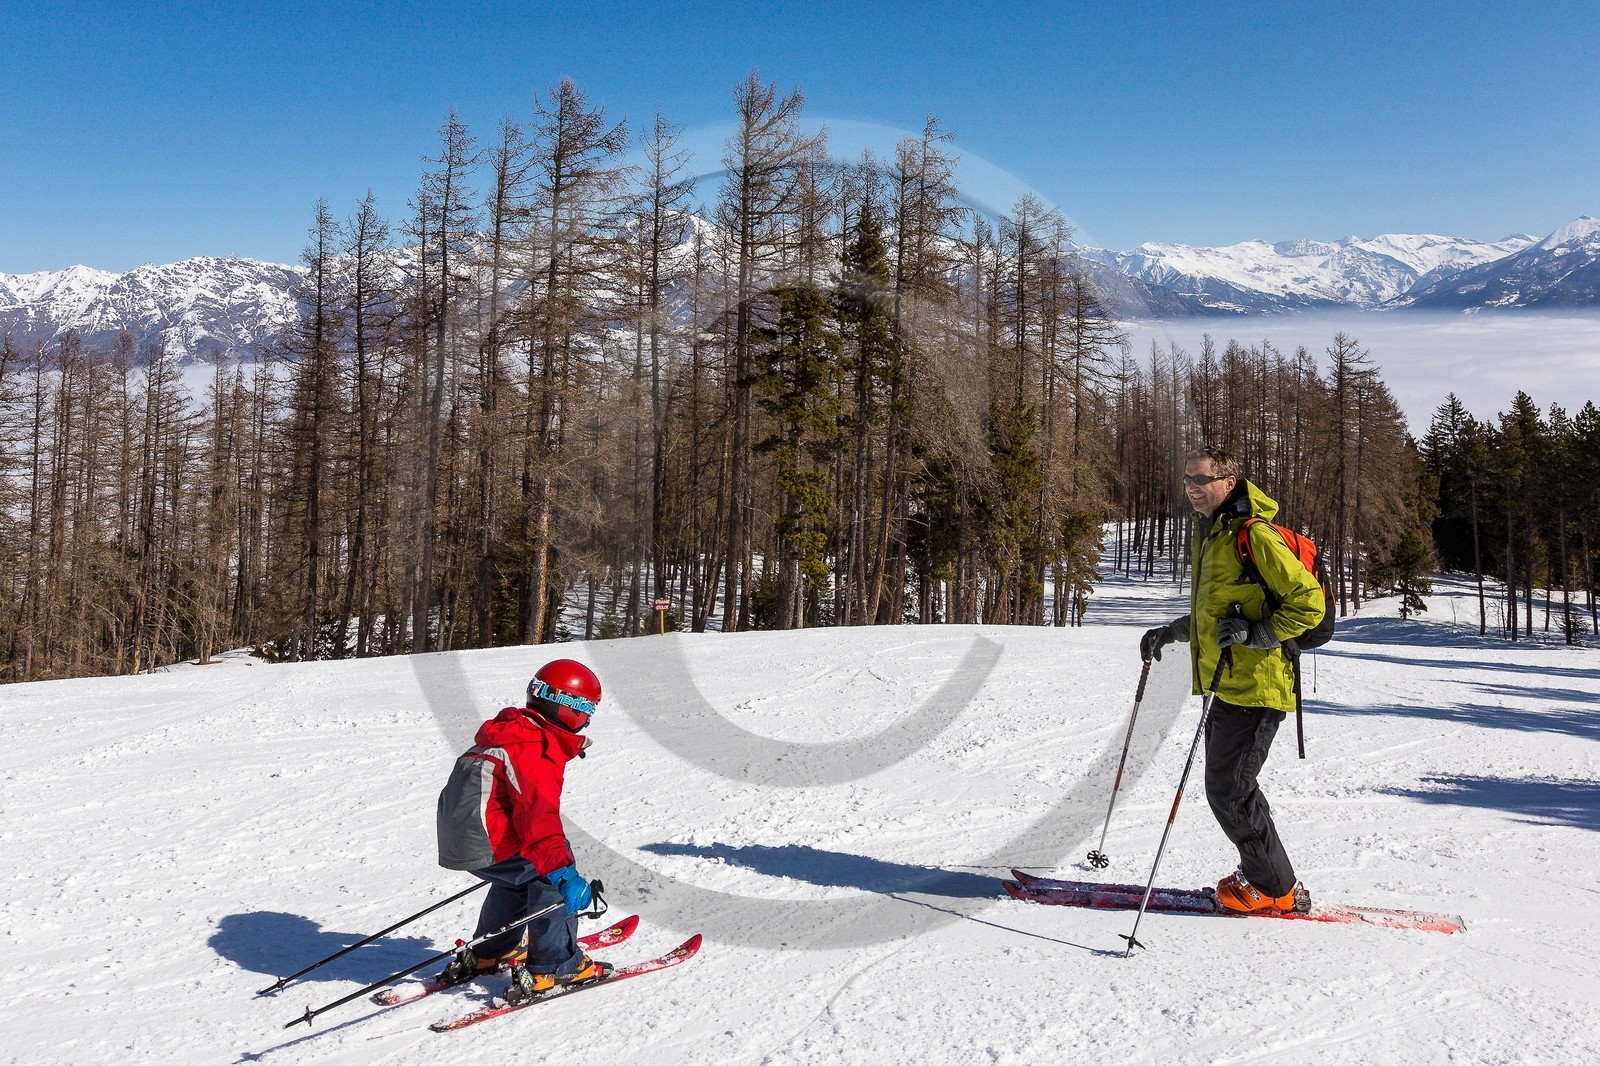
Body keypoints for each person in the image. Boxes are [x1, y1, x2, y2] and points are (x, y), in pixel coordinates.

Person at [1140, 446, 1324, 914]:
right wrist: (1172, 632)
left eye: (1200, 479)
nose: (1191, 489)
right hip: (1229, 682)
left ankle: (1274, 887)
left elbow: (1309, 604)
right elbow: (1215, 611)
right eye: (1186, 480)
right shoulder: (1215, 536)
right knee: (1227, 787)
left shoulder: (1253, 534)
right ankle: (1270, 880)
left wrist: (1262, 633)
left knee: (1231, 789)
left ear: (1228, 480)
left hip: (1259, 685)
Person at [434, 658, 613, 1003]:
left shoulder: (513, 731)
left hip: (463, 842)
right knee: (550, 871)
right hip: (486, 842)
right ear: (571, 707)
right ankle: (555, 965)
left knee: (521, 873)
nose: (589, 718)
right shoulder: (535, 746)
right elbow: (540, 820)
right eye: (589, 709)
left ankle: (489, 950)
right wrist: (564, 875)